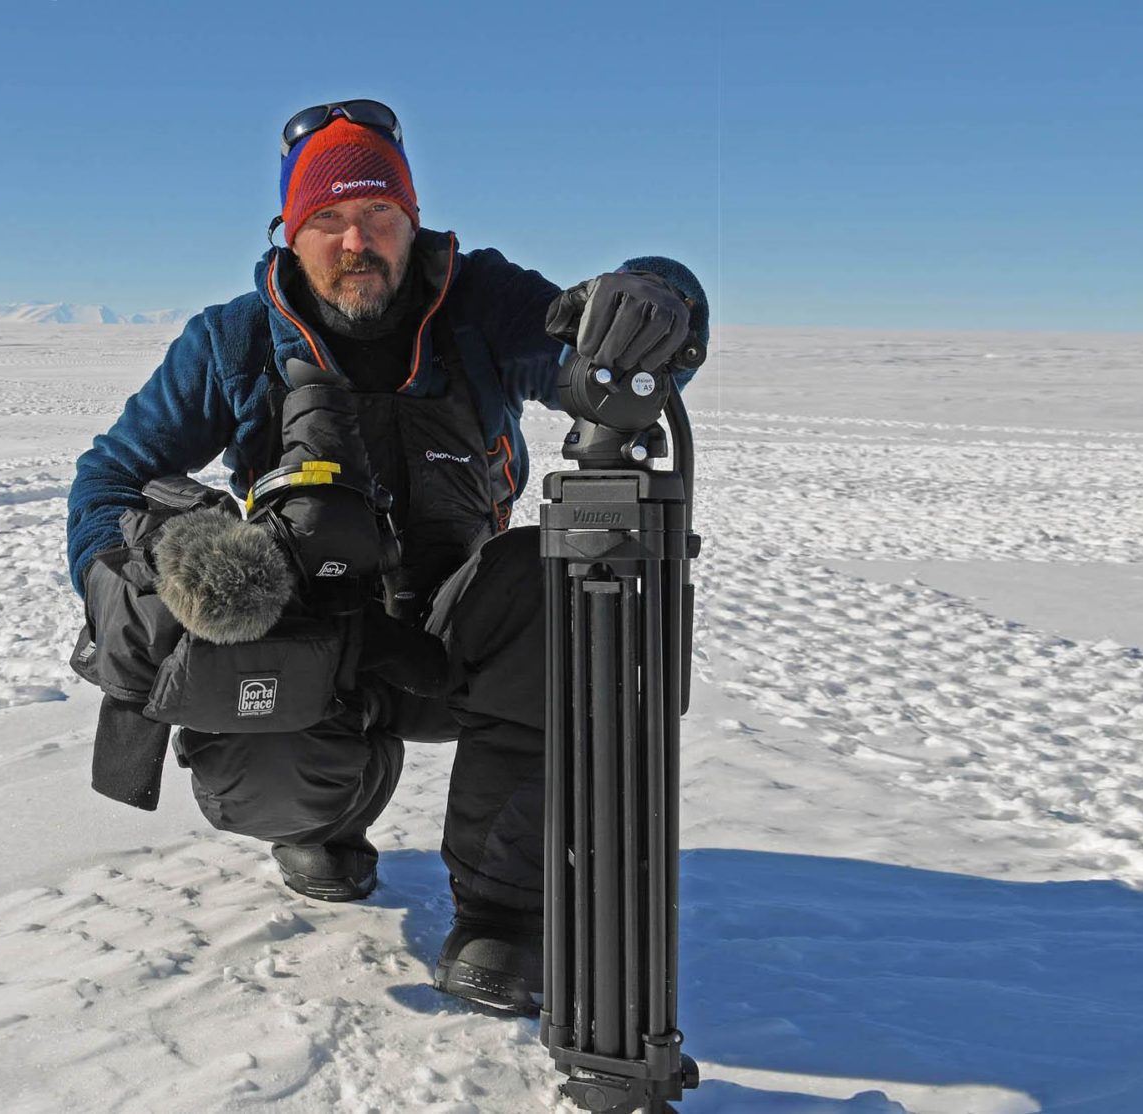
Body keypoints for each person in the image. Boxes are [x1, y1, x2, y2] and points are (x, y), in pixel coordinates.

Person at [64, 98, 705, 1014]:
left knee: (550, 573)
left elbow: (611, 355)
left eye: (378, 216)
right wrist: (140, 570)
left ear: (412, 221)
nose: (354, 242)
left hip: (459, 640)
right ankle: (329, 815)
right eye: (327, 219)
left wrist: (659, 295)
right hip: (311, 640)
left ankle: (503, 917)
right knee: (265, 763)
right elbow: (110, 481)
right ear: (291, 231)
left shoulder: (480, 303)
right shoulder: (233, 341)